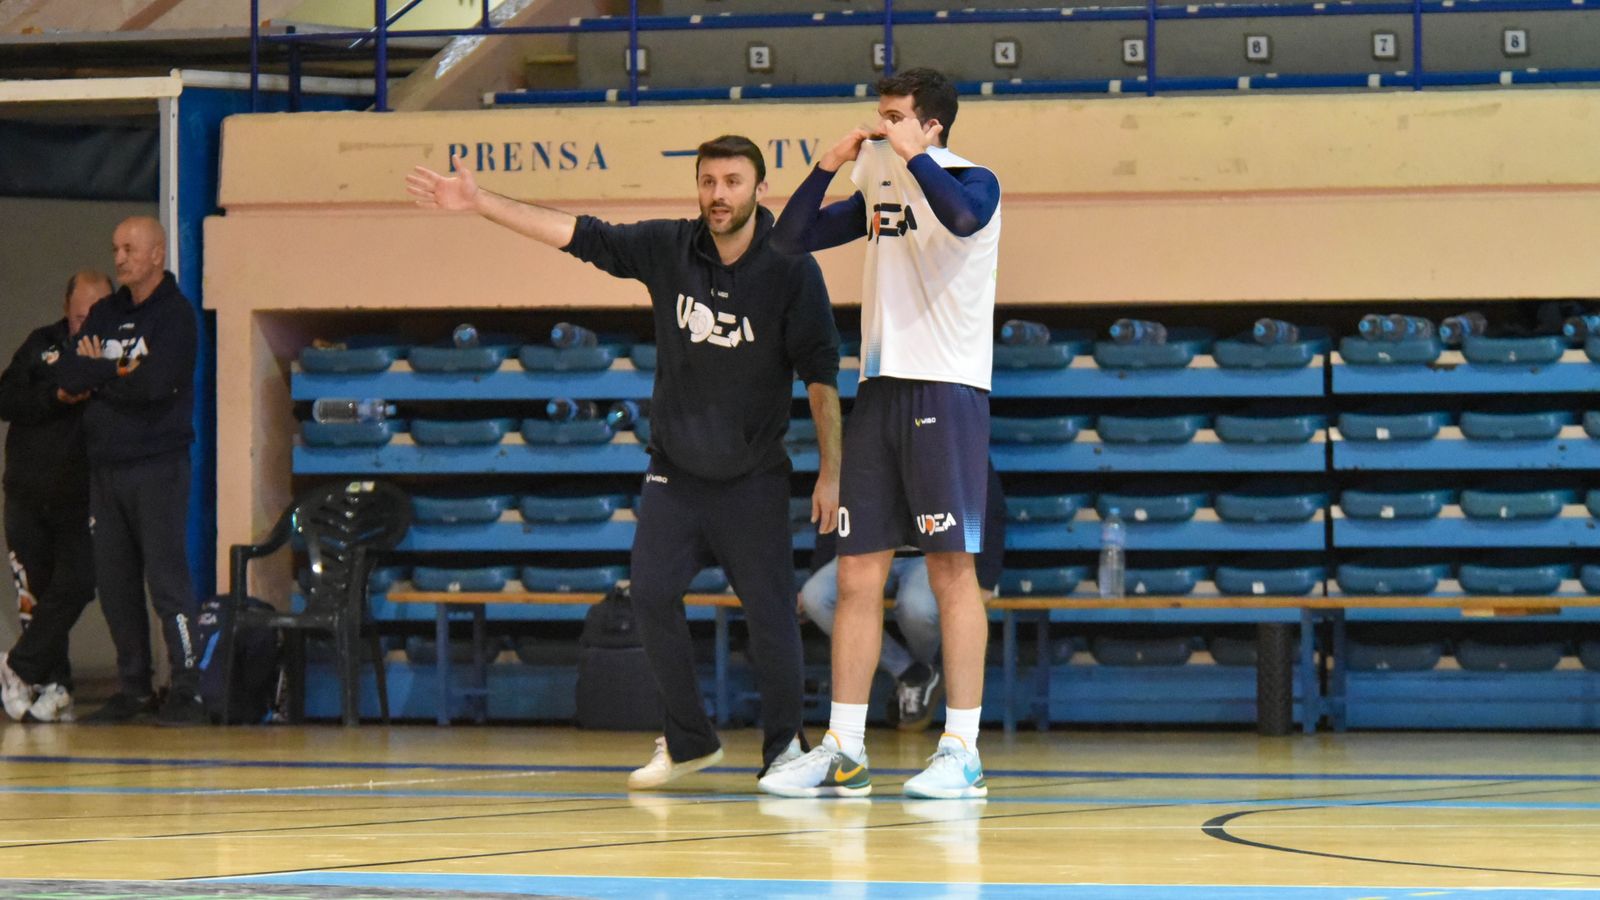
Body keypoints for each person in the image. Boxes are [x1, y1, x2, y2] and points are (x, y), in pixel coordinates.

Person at [407, 135, 842, 790]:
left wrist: (832, 471)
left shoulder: (792, 268)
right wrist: (478, 201)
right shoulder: (670, 247)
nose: (718, 194)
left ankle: (784, 748)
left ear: (760, 190)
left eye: (732, 181)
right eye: (708, 181)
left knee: (772, 612)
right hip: (676, 473)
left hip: (753, 475)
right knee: (652, 594)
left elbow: (821, 377)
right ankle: (690, 740)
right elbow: (578, 235)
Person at [763, 68, 1002, 799]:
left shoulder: (975, 181)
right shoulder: (879, 185)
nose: (881, 127)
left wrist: (910, 157)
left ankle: (962, 750)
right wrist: (828, 165)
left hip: (947, 387)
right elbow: (789, 240)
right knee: (856, 574)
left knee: (951, 572)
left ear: (931, 126)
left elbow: (961, 219)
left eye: (896, 116)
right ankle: (845, 748)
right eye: (880, 115)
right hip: (878, 388)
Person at [57, 216, 203, 726]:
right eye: (115, 248)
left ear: (157, 254)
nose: (119, 259)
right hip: (106, 470)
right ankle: (134, 688)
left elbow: (156, 385)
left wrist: (99, 374)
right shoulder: (105, 312)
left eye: (129, 249)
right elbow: (69, 373)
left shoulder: (175, 316)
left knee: (166, 581)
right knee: (116, 586)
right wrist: (115, 370)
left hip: (158, 467)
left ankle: (188, 688)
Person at [798, 463, 1006, 733]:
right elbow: (836, 505)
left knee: (916, 608)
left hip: (928, 553)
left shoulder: (944, 438)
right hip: (868, 550)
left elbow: (989, 502)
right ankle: (913, 674)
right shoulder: (862, 440)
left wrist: (986, 577)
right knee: (816, 596)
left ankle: (924, 672)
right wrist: (818, 569)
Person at [0, 270, 111, 722]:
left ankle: (17, 666)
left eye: (97, 315)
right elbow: (6, 397)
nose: (87, 326)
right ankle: (55, 684)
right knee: (36, 593)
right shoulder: (40, 344)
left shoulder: (118, 352)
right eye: (81, 316)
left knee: (79, 581)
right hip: (26, 491)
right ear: (67, 310)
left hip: (80, 495)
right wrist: (57, 395)